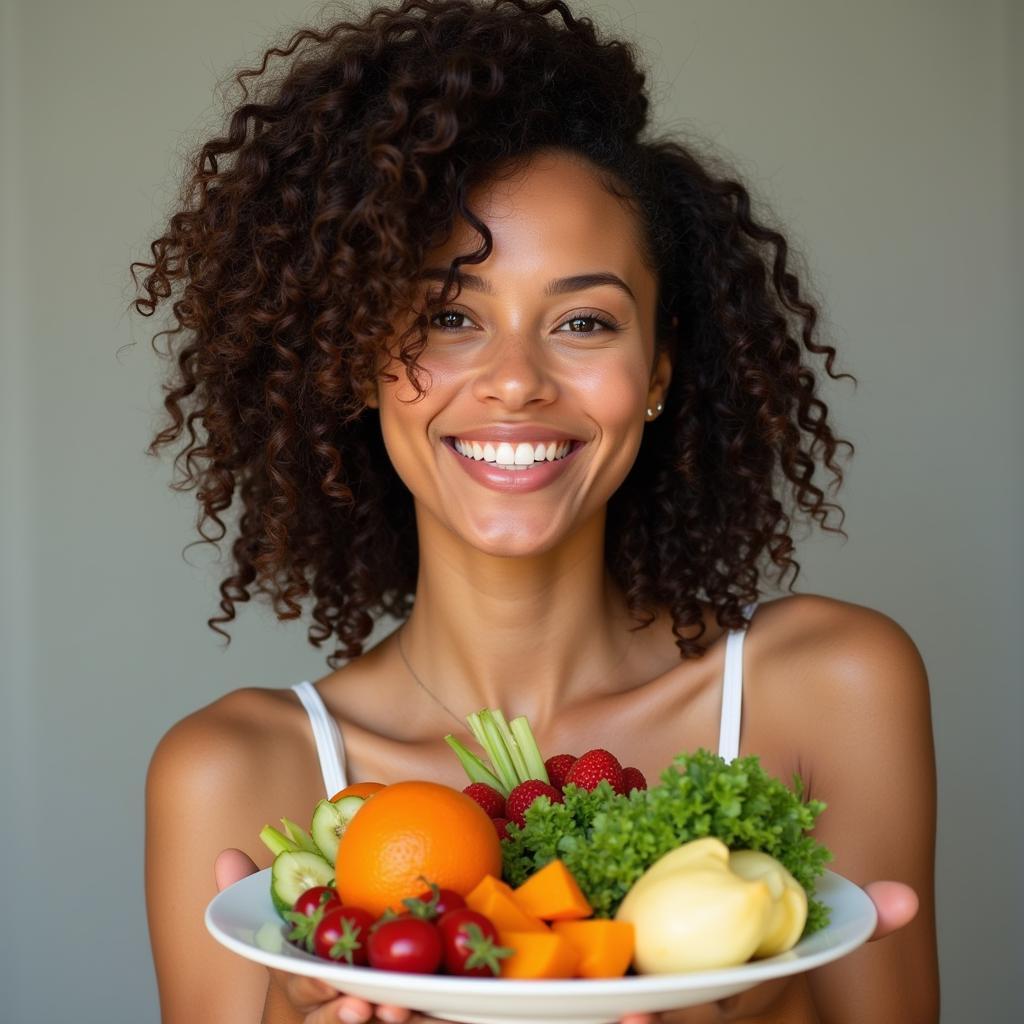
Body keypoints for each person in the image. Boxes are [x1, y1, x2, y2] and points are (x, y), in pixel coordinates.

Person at [134, 1, 938, 1021]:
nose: (515, 382)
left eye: (584, 321)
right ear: (354, 354)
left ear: (659, 367)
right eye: (450, 317)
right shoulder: (236, 772)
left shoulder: (830, 688)